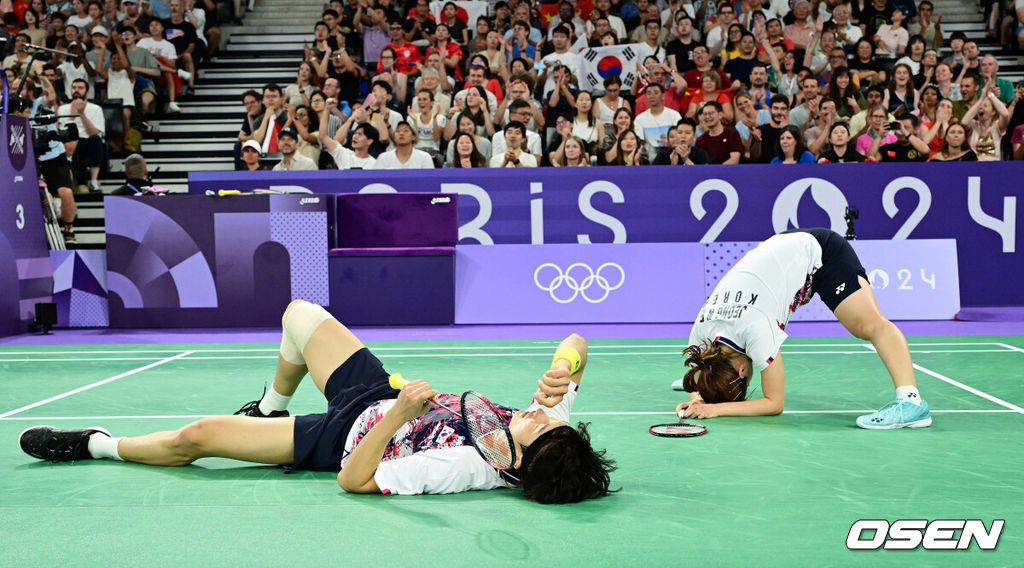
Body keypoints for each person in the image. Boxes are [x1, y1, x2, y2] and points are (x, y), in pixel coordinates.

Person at [18, 300, 617, 503]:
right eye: (548, 418)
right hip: (374, 392)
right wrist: (563, 368)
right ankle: (271, 403)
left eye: (538, 425)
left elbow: (354, 481)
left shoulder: (461, 467)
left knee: (196, 437)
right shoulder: (549, 426)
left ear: (518, 463)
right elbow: (577, 338)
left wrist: (401, 419)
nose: (537, 416)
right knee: (299, 316)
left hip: (341, 439)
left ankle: (95, 444)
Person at [672, 229, 932, 430]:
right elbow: (698, 372)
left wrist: (715, 410)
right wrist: (699, 397)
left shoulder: (756, 331)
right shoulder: (702, 335)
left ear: (742, 370)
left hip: (821, 252)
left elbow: (774, 404)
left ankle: (911, 402)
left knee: (867, 325)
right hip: (783, 250)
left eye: (748, 380)